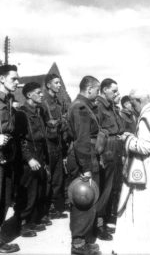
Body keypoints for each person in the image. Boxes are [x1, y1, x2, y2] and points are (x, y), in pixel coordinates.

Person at [114, 88, 150, 254]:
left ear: (139, 101)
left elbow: (144, 147)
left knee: (143, 209)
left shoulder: (146, 117)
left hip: (146, 172)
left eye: (133, 103)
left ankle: (141, 248)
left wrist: (128, 139)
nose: (132, 107)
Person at [67, 76, 101, 255]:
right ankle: (78, 245)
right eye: (97, 90)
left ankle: (85, 240)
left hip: (86, 155)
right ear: (89, 89)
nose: (98, 93)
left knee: (88, 201)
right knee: (82, 199)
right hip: (83, 157)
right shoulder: (81, 107)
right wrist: (86, 167)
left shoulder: (84, 105)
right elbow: (81, 140)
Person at [12, 82, 49, 236]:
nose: (42, 95)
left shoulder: (38, 112)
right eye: (38, 92)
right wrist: (29, 159)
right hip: (29, 156)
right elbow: (19, 139)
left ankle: (31, 221)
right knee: (27, 191)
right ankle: (21, 224)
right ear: (28, 95)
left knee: (39, 189)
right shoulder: (21, 113)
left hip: (39, 153)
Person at [95, 78, 124, 240]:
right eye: (114, 91)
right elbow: (97, 132)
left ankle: (105, 221)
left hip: (115, 149)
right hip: (106, 150)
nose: (116, 94)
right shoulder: (99, 107)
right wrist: (100, 155)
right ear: (104, 89)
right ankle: (98, 225)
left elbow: (118, 128)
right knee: (104, 189)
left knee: (112, 187)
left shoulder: (111, 106)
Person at [0, 64, 20, 253]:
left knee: (4, 200)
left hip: (7, 156)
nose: (17, 82)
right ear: (2, 79)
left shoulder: (9, 100)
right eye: (13, 79)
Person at [42, 74, 67, 219]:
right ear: (48, 85)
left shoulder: (59, 102)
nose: (59, 85)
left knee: (58, 177)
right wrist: (59, 121)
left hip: (58, 143)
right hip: (47, 144)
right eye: (56, 83)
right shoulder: (42, 102)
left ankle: (54, 208)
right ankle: (44, 211)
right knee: (48, 178)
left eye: (59, 83)